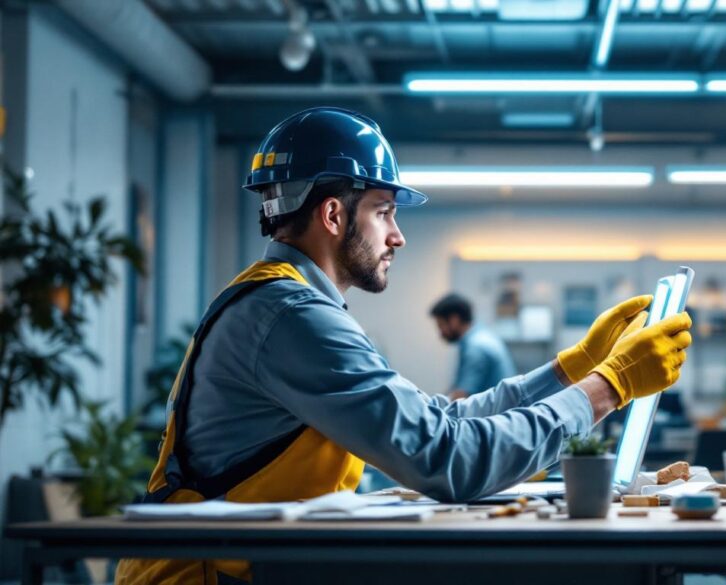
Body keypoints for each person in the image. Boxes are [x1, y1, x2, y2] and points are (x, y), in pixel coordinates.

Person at [116, 107, 691, 585]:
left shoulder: (288, 305)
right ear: (334, 214)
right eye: (385, 212)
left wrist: (573, 369)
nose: (398, 235)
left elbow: (437, 420)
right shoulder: (292, 316)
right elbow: (447, 459)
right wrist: (608, 387)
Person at [429, 293, 516, 399]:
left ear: (454, 320)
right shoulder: (481, 335)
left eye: (441, 325)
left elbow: (460, 397)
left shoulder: (475, 348)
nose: (440, 333)